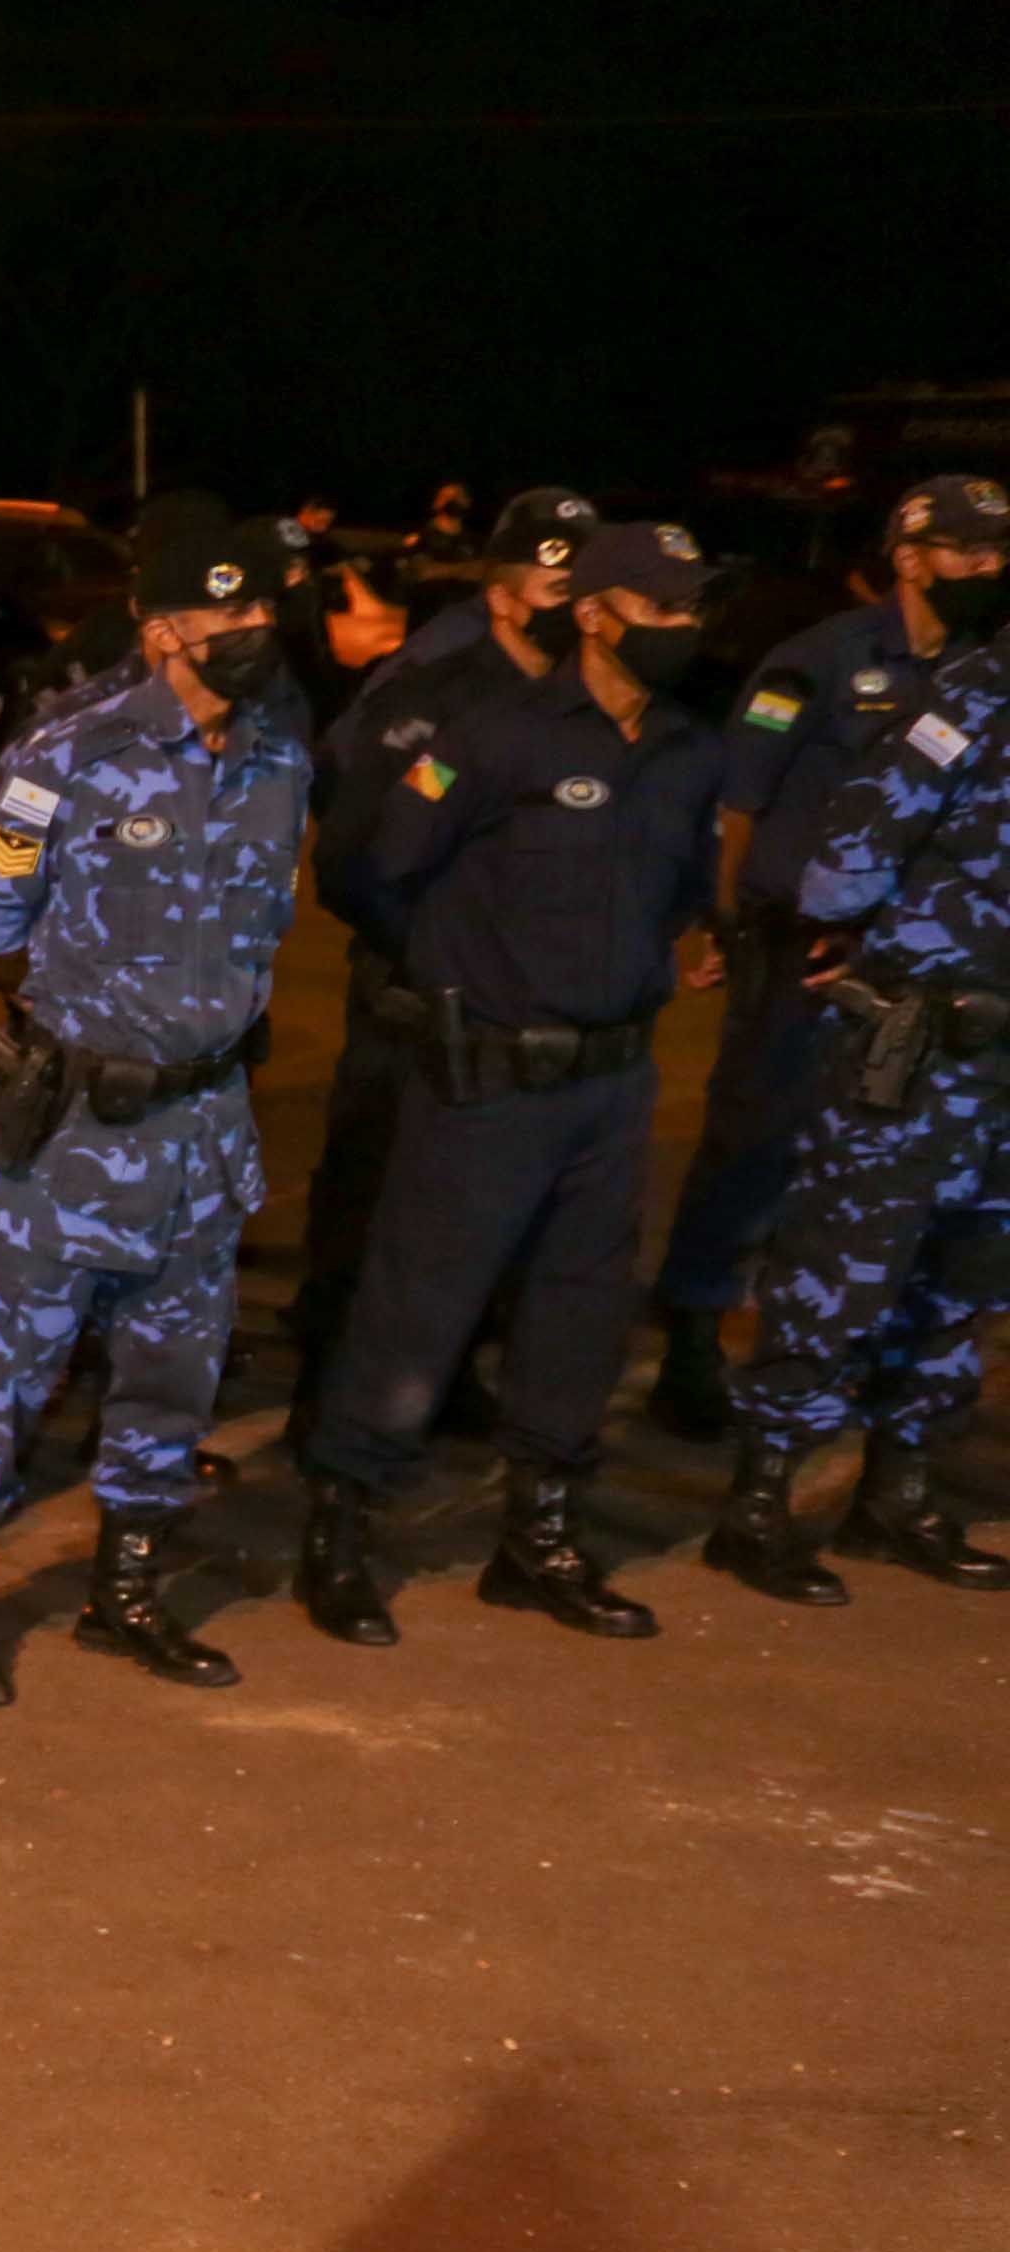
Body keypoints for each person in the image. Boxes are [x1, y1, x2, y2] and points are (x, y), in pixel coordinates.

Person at [295, 517, 728, 1646]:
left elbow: (685, 889)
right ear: (594, 613)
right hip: (487, 1074)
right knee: (419, 1303)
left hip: (612, 1084)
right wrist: (463, 978)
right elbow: (373, 871)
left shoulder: (686, 747)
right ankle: (341, 1530)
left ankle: (537, 1540)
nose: (684, 630)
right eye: (661, 610)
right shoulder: (493, 737)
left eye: (692, 610)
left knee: (579, 1316)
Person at [0, 529, 313, 1706]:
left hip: (206, 1127)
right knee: (2, 1367)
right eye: (222, 622)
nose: (250, 640)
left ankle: (126, 1592)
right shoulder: (64, 757)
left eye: (264, 620)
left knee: (175, 1374)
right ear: (163, 631)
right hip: (80, 1127)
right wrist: (84, 1012)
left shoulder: (281, 757)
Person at [650, 474, 1010, 1437]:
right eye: (967, 548)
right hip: (799, 951)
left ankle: (839, 1354)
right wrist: (726, 926)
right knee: (758, 1142)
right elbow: (741, 805)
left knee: (881, 1171)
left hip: (915, 968)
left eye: (997, 550)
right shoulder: (814, 663)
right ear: (907, 556)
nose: (987, 566)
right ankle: (693, 1329)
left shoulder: (986, 669)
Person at [710, 548, 1010, 1601]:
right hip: (922, 1047)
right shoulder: (969, 700)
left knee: (968, 1280)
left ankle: (900, 1494)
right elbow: (844, 861)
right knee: (842, 1268)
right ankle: (760, 1503)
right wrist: (900, 945)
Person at [296, 490, 596, 1389]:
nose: (574, 605)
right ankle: (332, 1371)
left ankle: (445, 1364)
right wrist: (426, 944)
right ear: (504, 591)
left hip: (518, 986)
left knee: (483, 1192)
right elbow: (350, 806)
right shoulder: (441, 671)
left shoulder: (580, 684)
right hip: (419, 972)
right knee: (376, 1177)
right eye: (556, 584)